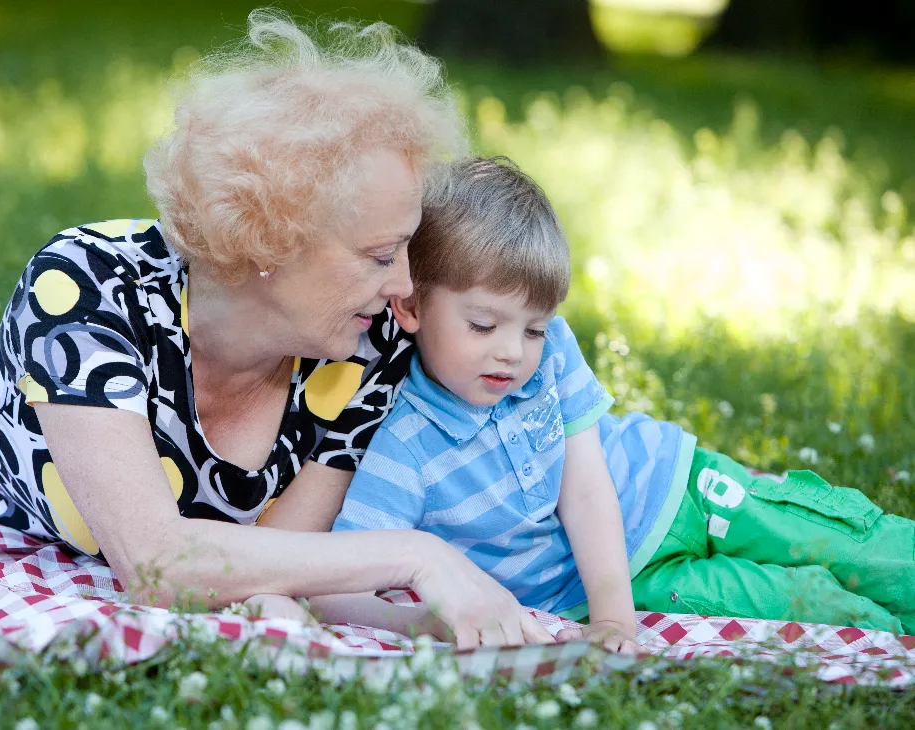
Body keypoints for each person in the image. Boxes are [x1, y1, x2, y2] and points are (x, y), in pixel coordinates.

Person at [0, 11, 557, 650]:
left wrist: (421, 624)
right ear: (271, 241)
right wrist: (418, 556)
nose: (404, 285)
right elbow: (156, 565)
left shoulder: (366, 340)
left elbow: (274, 565)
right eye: (377, 256)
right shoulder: (85, 284)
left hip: (61, 392)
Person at [323, 157, 915, 652]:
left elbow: (583, 485)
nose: (513, 352)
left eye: (533, 329)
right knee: (812, 610)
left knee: (842, 540)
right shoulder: (404, 448)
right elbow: (338, 582)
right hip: (630, 583)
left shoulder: (552, 351)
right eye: (483, 324)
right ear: (411, 308)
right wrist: (427, 624)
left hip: (679, 490)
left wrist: (612, 619)